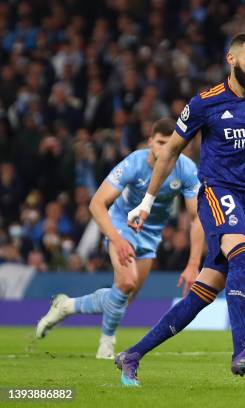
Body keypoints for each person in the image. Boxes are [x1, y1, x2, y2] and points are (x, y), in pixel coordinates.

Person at [115, 32, 245, 386]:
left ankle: (132, 355)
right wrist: (147, 202)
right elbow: (170, 152)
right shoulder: (204, 103)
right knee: (242, 253)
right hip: (218, 191)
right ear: (231, 59)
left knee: (204, 291)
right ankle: (242, 349)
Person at [35, 118, 203, 360]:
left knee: (124, 297)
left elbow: (197, 219)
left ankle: (66, 306)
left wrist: (193, 263)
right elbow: (97, 203)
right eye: (160, 142)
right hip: (122, 225)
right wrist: (116, 238)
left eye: (170, 144)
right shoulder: (134, 163)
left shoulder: (186, 169)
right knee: (126, 283)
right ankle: (107, 342)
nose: (165, 148)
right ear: (150, 142)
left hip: (151, 235)